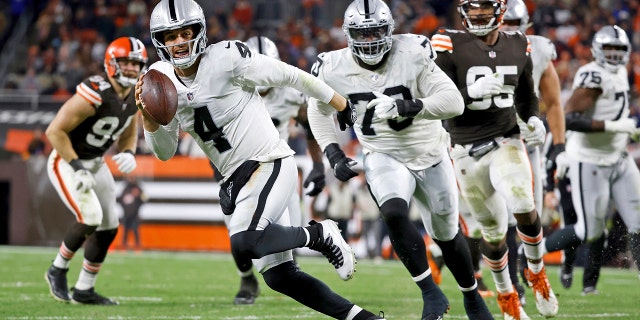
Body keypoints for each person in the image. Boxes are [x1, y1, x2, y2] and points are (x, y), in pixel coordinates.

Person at [138, 1, 384, 319]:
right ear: (160, 40)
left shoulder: (226, 58)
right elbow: (165, 151)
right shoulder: (159, 79)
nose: (179, 42)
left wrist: (337, 101)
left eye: (185, 33)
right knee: (279, 277)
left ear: (199, 32)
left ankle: (319, 234)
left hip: (268, 162)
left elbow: (288, 75)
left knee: (244, 242)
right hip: (235, 179)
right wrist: (148, 118)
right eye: (170, 37)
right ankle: (363, 318)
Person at [307, 1, 494, 319]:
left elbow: (453, 102)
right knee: (393, 212)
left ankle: (471, 296)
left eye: (376, 32)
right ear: (349, 35)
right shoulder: (332, 66)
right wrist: (333, 153)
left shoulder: (413, 51)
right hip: (383, 153)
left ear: (389, 30)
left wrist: (410, 106)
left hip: (430, 152)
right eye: (361, 35)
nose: (369, 41)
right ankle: (430, 292)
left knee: (446, 235)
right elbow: (317, 109)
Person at [431, 0, 559, 319]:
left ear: (500, 10)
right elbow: (434, 100)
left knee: (522, 202)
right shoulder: (448, 44)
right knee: (492, 232)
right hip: (464, 150)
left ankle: (537, 272)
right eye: (471, 8)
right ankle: (506, 297)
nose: (476, 14)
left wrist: (534, 121)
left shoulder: (519, 45)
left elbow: (527, 97)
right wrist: (469, 92)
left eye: (484, 7)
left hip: (506, 140)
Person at [221, 35, 328, 305]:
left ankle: (289, 274)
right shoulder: (229, 91)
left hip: (276, 169)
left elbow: (308, 124)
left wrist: (317, 164)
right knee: (239, 237)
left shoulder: (289, 92)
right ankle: (247, 279)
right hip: (238, 172)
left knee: (290, 237)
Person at [44, 36, 147, 305]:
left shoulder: (136, 93)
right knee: (90, 216)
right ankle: (57, 268)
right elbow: (54, 131)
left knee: (110, 226)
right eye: (125, 63)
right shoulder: (95, 92)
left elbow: (128, 129)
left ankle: (84, 289)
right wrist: (77, 168)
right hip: (67, 160)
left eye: (136, 64)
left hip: (96, 162)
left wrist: (128, 152)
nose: (132, 70)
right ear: (111, 64)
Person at [541, 24, 640, 295]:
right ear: (597, 48)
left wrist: (628, 130)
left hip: (618, 157)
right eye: (608, 48)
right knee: (589, 231)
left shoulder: (621, 71)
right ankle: (535, 252)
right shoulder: (593, 75)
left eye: (618, 49)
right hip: (591, 161)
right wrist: (613, 126)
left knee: (638, 223)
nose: (613, 54)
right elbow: (570, 119)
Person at [118, 175, 147, 250]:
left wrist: (138, 196)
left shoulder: (138, 189)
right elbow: (120, 199)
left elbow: (145, 199)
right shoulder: (126, 189)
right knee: (125, 230)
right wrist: (124, 209)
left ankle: (137, 246)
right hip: (126, 214)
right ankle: (124, 245)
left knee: (135, 230)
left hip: (135, 214)